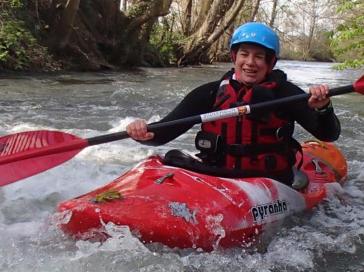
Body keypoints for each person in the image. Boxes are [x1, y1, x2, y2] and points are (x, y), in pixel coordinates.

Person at [125, 22, 340, 186]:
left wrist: (323, 108)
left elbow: (328, 135)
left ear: (270, 63)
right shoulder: (209, 92)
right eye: (244, 54)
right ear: (234, 57)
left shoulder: (286, 93)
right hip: (215, 175)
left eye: (259, 57)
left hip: (268, 180)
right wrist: (142, 133)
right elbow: (162, 134)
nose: (250, 62)